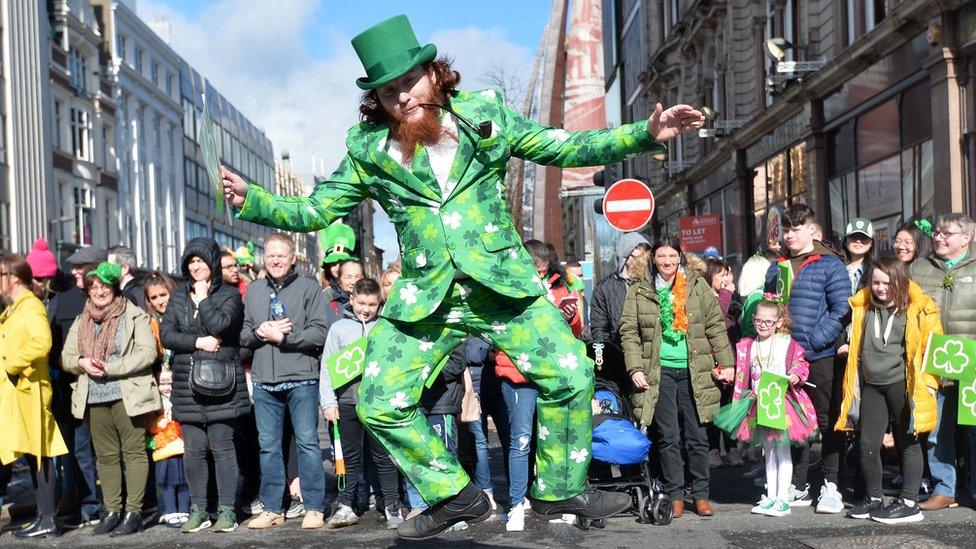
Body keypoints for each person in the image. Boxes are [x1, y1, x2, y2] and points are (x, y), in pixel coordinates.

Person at [221, 13, 703, 539]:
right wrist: (256, 200)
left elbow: (561, 146)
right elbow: (315, 209)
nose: (402, 98)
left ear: (433, 73)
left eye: (409, 82)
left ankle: (558, 488)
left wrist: (645, 132)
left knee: (571, 373)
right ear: (376, 101)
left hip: (500, 286)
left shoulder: (484, 115)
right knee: (380, 401)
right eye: (388, 93)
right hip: (427, 299)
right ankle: (456, 496)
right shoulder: (368, 150)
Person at [620, 235, 735, 518]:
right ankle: (675, 493)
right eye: (661, 257)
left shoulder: (697, 287)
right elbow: (629, 332)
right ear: (653, 260)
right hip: (658, 373)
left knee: (698, 435)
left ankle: (701, 494)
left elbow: (716, 327)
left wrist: (727, 363)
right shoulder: (639, 290)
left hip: (694, 370)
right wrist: (635, 368)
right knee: (668, 436)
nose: (667, 262)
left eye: (672, 256)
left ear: (680, 258)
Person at [837, 255, 941, 523]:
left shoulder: (918, 308)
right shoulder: (863, 306)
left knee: (908, 442)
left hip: (902, 385)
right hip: (872, 385)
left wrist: (929, 384)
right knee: (867, 444)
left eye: (886, 283)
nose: (880, 288)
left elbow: (931, 349)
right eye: (875, 282)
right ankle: (874, 499)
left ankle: (909, 502)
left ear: (899, 281)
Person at [61, 262, 161, 536]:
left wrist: (112, 367)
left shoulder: (133, 314)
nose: (99, 291)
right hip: (94, 395)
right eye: (93, 286)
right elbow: (67, 357)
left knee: (134, 452)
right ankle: (112, 510)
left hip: (127, 393)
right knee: (105, 457)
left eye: (104, 285)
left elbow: (147, 353)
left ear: (114, 287)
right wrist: (82, 362)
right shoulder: (83, 320)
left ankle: (133, 512)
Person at [764, 204, 851, 513]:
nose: (790, 235)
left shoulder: (830, 263)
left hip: (821, 356)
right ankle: (797, 484)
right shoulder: (777, 266)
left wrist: (816, 339)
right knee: (793, 422)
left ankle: (831, 484)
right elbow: (768, 307)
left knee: (828, 423)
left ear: (811, 230)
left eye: (796, 229)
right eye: (786, 230)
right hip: (784, 359)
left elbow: (843, 307)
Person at [240, 233, 329, 530]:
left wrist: (285, 339)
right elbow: (241, 335)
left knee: (307, 443)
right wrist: (258, 332)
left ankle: (314, 506)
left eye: (281, 255)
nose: (275, 260)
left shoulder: (309, 288)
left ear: (293, 258)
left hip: (301, 378)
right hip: (265, 381)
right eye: (270, 255)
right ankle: (272, 508)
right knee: (268, 447)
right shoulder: (253, 291)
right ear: (263, 258)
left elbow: (320, 332)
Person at [160, 238, 249, 533]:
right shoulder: (177, 298)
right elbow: (168, 336)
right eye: (191, 262)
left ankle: (226, 509)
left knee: (223, 447)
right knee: (194, 450)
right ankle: (198, 509)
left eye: (201, 261)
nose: (196, 266)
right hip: (187, 385)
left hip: (222, 383)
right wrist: (198, 341)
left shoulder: (230, 296)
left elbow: (221, 327)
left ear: (212, 263)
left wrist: (203, 299)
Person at [494, 239, 583, 531]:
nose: (540, 263)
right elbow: (497, 330)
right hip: (518, 374)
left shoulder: (560, 287)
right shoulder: (507, 285)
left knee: (555, 439)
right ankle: (517, 503)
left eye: (544, 258)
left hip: (554, 374)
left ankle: (557, 499)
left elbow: (576, 331)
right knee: (520, 441)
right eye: (534, 259)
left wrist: (571, 318)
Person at [716, 298, 817, 517]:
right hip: (758, 402)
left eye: (769, 322)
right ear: (753, 320)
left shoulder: (787, 343)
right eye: (758, 320)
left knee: (783, 451)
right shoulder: (748, 345)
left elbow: (802, 363)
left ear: (779, 322)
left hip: (781, 402)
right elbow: (743, 373)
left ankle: (783, 498)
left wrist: (795, 375)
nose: (762, 325)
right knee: (768, 452)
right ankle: (771, 496)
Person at [319, 277, 403, 529]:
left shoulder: (386, 328)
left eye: (372, 304)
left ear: (380, 304)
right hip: (346, 403)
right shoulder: (339, 328)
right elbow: (327, 367)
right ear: (351, 300)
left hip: (378, 404)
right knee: (348, 457)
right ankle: (346, 505)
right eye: (361, 303)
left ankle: (392, 504)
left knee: (383, 456)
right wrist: (328, 402)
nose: (366, 309)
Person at [910, 213, 976, 510]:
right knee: (937, 430)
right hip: (934, 360)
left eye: (946, 233)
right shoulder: (918, 269)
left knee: (974, 429)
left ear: (966, 238)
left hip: (972, 360)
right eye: (936, 232)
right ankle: (944, 488)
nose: (938, 237)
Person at [0, 254, 69, 539]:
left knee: (41, 455)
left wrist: (13, 365)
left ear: (13, 277)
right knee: (33, 456)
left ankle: (49, 519)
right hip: (20, 394)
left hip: (30, 391)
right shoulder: (16, 309)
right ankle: (43, 517)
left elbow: (41, 343)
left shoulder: (31, 308)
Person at [589, 232, 650, 390]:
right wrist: (608, 357)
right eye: (636, 254)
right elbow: (599, 328)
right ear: (626, 255)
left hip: (649, 355)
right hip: (618, 356)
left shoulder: (651, 284)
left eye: (644, 254)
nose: (641, 259)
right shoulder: (604, 288)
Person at [704, 257, 743, 468]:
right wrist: (727, 293)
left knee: (731, 406)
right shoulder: (707, 296)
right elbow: (716, 317)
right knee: (714, 407)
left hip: (733, 360)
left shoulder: (728, 296)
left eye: (726, 273)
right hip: (712, 361)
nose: (725, 278)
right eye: (720, 274)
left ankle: (732, 448)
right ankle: (713, 450)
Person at [148, 368, 190, 527]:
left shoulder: (181, 398)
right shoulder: (155, 402)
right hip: (165, 450)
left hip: (182, 448)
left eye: (170, 383)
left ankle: (184, 510)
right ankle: (171, 511)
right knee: (168, 484)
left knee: (185, 482)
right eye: (162, 383)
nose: (167, 387)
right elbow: (148, 425)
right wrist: (159, 423)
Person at [842, 218, 876, 296]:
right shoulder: (836, 268)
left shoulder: (877, 269)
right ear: (845, 242)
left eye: (863, 237)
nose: (858, 241)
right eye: (853, 237)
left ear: (871, 243)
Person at [327, 260, 364, 327]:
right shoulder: (330, 309)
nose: (353, 282)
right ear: (339, 281)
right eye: (348, 277)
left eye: (358, 276)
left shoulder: (374, 305)